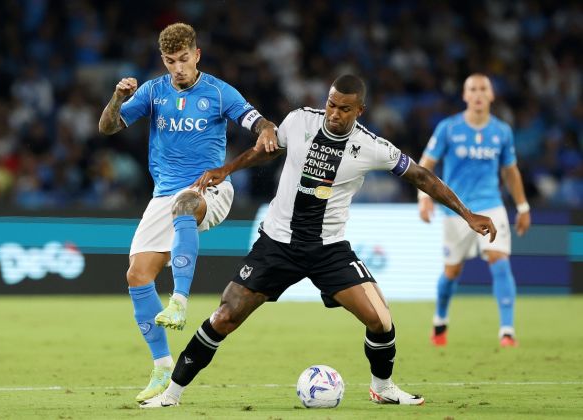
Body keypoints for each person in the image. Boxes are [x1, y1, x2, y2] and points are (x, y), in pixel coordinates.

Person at [140, 74, 497, 408]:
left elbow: (421, 176)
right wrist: (226, 169)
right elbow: (268, 149)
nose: (335, 114)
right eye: (331, 104)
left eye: (345, 108)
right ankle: (172, 394)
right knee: (224, 317)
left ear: (360, 111)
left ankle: (383, 387)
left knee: (381, 320)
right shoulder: (299, 121)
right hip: (276, 245)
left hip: (328, 250)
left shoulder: (371, 146)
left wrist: (467, 214)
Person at [98, 22, 277, 403]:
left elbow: (254, 119)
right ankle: (162, 367)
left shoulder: (217, 91)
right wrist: (116, 98)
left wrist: (265, 128)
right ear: (162, 60)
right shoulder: (152, 91)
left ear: (196, 55)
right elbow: (107, 127)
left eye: (183, 59)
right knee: (137, 274)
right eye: (169, 61)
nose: (177, 68)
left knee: (185, 204)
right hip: (163, 195)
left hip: (208, 188)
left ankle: (179, 301)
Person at [417, 73, 531, 348]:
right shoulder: (448, 128)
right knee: (452, 272)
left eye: (483, 89)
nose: (478, 94)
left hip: (492, 205)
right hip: (457, 210)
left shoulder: (501, 131)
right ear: (465, 96)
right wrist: (424, 197)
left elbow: (510, 171)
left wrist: (522, 205)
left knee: (500, 261)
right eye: (473, 89)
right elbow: (425, 165)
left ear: (491, 96)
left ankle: (507, 331)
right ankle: (440, 321)